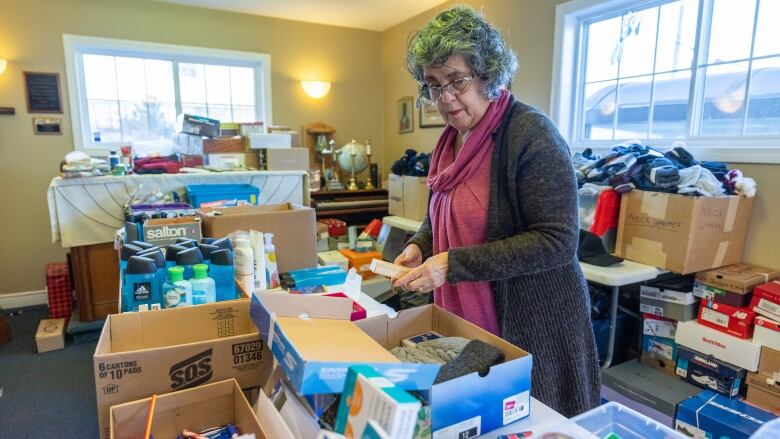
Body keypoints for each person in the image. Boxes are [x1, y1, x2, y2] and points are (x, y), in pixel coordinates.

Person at [392, 5, 600, 417]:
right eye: (433, 85)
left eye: (456, 81)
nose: (445, 98)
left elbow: (557, 242)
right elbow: (444, 211)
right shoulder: (452, 140)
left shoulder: (532, 135)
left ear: (488, 73)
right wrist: (420, 244)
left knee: (532, 417)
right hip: (466, 313)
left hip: (532, 322)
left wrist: (452, 265)